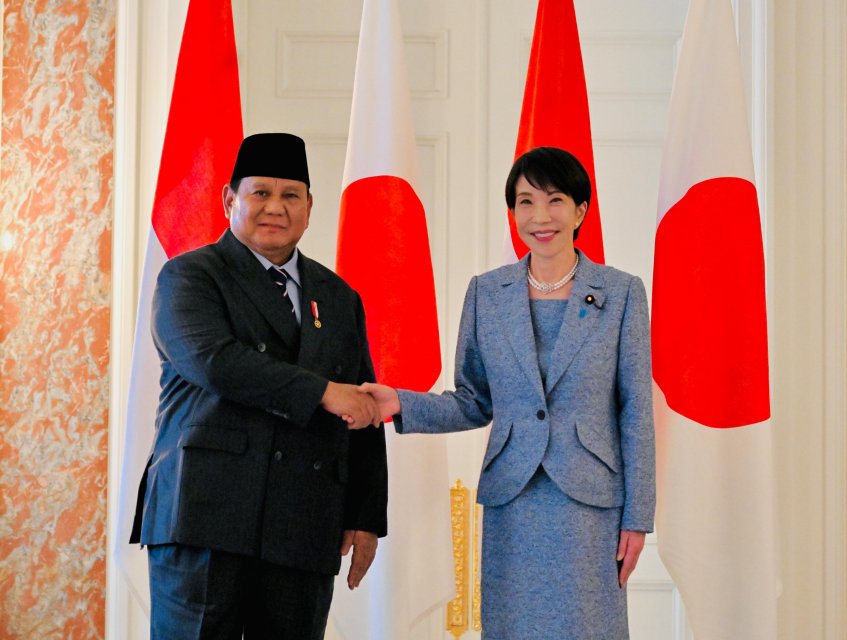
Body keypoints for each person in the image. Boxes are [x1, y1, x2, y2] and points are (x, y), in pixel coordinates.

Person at [360, 146, 655, 639]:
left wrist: (638, 516)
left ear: (580, 210)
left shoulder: (621, 293)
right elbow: (473, 400)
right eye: (525, 202)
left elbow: (635, 412)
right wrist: (398, 402)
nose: (540, 217)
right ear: (513, 212)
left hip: (590, 505)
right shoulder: (486, 293)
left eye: (555, 200)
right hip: (512, 501)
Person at [129, 132, 387, 640]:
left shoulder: (338, 297)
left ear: (310, 208)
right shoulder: (190, 276)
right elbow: (217, 363)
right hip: (205, 519)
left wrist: (365, 515)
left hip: (304, 522)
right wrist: (321, 392)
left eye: (291, 195)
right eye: (260, 193)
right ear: (230, 200)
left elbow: (364, 405)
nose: (276, 207)